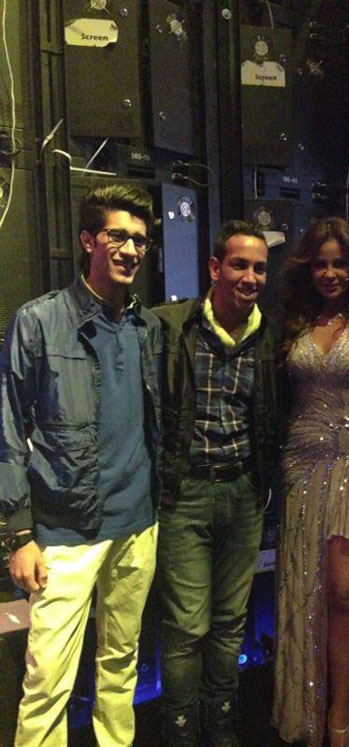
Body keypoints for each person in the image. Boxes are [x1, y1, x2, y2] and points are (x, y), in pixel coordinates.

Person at [0, 184, 162, 746]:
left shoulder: (147, 328)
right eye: (118, 235)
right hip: (64, 531)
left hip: (137, 526)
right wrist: (19, 533)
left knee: (121, 666)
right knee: (47, 681)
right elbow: (7, 428)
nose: (130, 249)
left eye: (140, 239)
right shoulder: (39, 321)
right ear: (88, 240)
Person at [153, 220, 285, 747]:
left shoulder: (271, 337)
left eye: (259, 268)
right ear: (214, 267)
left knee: (231, 622)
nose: (250, 277)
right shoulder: (170, 326)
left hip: (244, 494)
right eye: (239, 265)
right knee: (187, 628)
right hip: (185, 494)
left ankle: (222, 729)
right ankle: (181, 733)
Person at [272, 217, 349, 747]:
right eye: (321, 264)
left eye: (340, 263)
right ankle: (307, 705)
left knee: (346, 590)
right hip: (301, 465)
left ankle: (340, 711)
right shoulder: (294, 321)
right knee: (307, 588)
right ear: (308, 269)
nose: (330, 273)